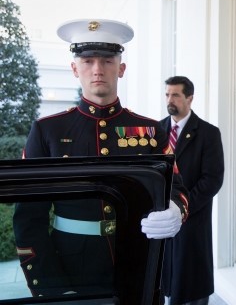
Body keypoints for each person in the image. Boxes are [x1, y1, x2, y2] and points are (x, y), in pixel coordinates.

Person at [12, 19, 189, 297]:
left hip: (139, 262)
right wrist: (50, 284)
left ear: (121, 68)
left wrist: (176, 209)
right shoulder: (48, 131)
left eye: (107, 60)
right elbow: (28, 219)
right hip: (70, 268)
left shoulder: (152, 130)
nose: (97, 70)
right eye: (87, 60)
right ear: (74, 69)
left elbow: (177, 188)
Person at [159, 76, 224, 305]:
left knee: (192, 287)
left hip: (193, 221)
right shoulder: (156, 131)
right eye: (167, 94)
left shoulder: (208, 133)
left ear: (190, 98)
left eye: (175, 95)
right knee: (163, 280)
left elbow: (212, 180)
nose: (170, 99)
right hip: (162, 221)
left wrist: (181, 208)